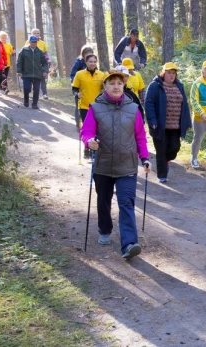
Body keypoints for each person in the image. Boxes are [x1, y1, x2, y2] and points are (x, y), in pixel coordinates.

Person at [80, 70, 151, 259]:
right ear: (105, 86)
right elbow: (86, 132)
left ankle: (129, 244)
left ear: (124, 86)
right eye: (112, 83)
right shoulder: (95, 108)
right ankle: (105, 229)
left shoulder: (133, 108)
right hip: (103, 165)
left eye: (120, 83)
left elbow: (140, 137)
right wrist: (89, 141)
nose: (116, 86)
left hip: (126, 165)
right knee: (103, 200)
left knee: (126, 202)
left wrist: (144, 158)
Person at [144, 62, 192, 183]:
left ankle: (166, 160)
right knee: (161, 151)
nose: (171, 76)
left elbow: (185, 105)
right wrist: (152, 121)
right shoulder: (155, 86)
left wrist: (186, 122)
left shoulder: (179, 85)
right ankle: (162, 175)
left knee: (174, 148)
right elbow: (148, 103)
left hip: (175, 125)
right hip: (160, 125)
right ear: (163, 73)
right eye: (169, 73)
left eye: (174, 73)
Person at [72, 54, 105, 158]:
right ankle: (86, 148)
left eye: (95, 61)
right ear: (86, 62)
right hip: (85, 106)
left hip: (98, 106)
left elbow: (105, 87)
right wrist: (77, 94)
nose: (93, 63)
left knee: (97, 128)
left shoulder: (101, 75)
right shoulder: (79, 74)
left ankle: (94, 148)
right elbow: (74, 88)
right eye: (90, 61)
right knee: (87, 129)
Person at [17, 35, 49, 110]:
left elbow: (44, 62)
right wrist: (19, 71)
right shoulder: (24, 50)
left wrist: (45, 71)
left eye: (35, 42)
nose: (34, 43)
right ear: (29, 42)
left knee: (37, 89)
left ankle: (34, 104)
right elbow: (19, 62)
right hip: (26, 73)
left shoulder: (40, 52)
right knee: (27, 88)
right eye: (32, 42)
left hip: (37, 74)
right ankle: (26, 100)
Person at [24, 28, 49, 99]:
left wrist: (47, 62)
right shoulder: (27, 42)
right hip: (31, 64)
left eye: (38, 33)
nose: (36, 34)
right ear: (31, 34)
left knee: (42, 78)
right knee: (31, 79)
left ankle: (44, 93)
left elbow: (46, 54)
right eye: (35, 33)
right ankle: (30, 92)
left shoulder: (42, 43)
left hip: (40, 63)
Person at [0, 31, 14, 95]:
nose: (3, 39)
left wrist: (13, 52)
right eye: (2, 38)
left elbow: (12, 52)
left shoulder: (9, 45)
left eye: (5, 38)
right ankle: (5, 89)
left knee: (5, 77)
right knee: (3, 76)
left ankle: (1, 88)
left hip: (7, 64)